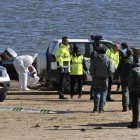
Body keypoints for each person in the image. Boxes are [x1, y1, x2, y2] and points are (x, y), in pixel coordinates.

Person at [90, 47, 114, 113]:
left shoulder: (95, 59)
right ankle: (101, 108)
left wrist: (93, 75)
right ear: (105, 52)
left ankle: (95, 108)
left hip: (96, 78)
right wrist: (108, 75)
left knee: (96, 92)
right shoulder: (108, 60)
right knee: (103, 93)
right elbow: (111, 70)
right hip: (105, 78)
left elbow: (91, 69)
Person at [127, 48, 140, 129]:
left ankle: (135, 124)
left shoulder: (132, 70)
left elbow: (130, 83)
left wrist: (130, 90)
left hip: (135, 90)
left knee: (135, 108)